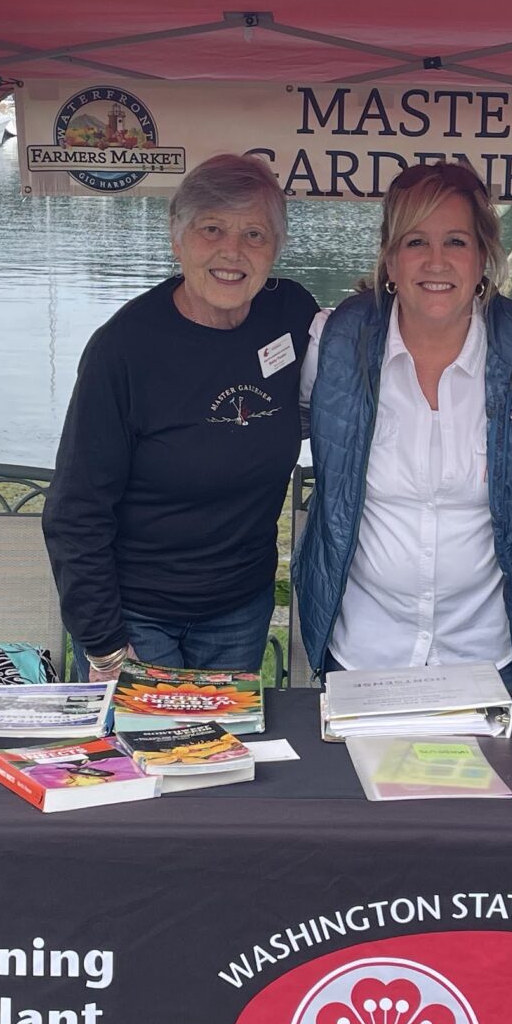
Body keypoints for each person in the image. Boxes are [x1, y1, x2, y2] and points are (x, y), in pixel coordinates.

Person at [44, 154, 316, 678]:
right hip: (135, 617)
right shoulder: (123, 351)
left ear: (276, 247)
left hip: (242, 607)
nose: (232, 252)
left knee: (223, 753)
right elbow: (75, 510)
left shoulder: (292, 315)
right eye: (211, 229)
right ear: (177, 237)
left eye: (254, 234)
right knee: (144, 758)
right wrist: (103, 643)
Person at [294, 163, 512, 690]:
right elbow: (267, 437)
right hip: (363, 653)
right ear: (390, 258)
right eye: (416, 241)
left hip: (488, 657)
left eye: (456, 241)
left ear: (482, 256)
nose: (436, 262)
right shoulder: (334, 341)